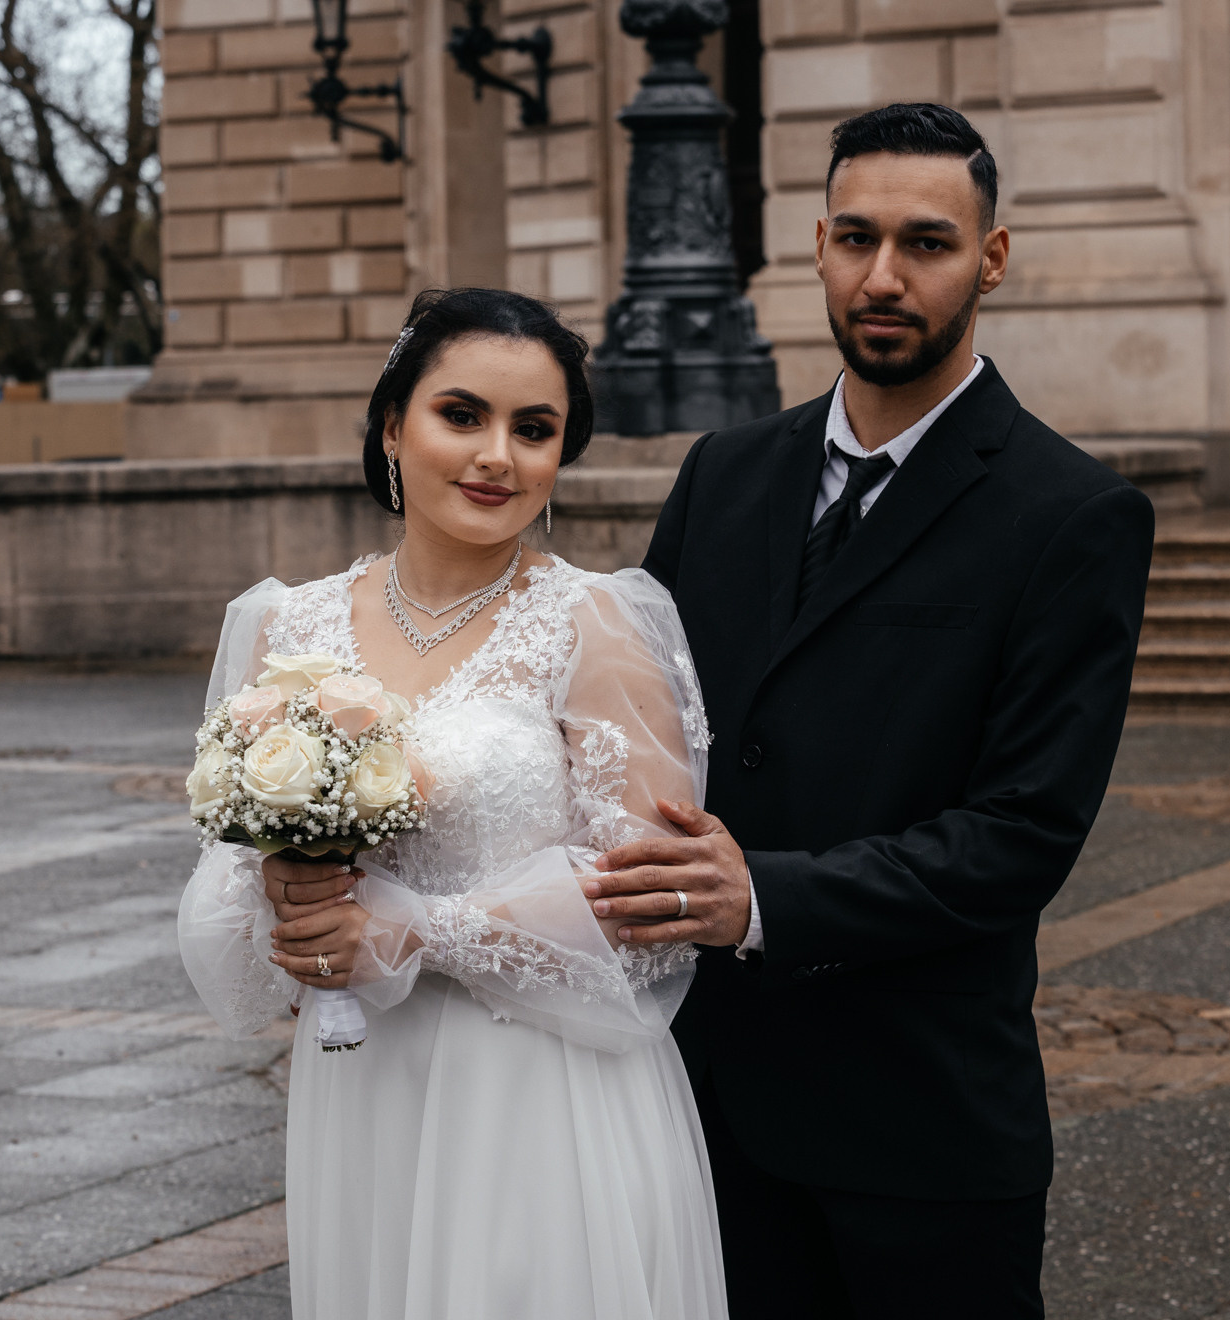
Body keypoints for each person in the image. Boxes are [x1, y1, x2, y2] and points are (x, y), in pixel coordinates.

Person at [580, 102, 1157, 1317]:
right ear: (818, 245)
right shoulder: (721, 474)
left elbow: (1022, 836)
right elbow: (627, 743)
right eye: (856, 237)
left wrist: (766, 900)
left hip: (923, 1130)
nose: (883, 275)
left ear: (991, 260)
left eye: (928, 243)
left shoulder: (1073, 515)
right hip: (703, 1111)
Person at [176, 287, 727, 1320]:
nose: (496, 457)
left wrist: (421, 930)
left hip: (542, 1089)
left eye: (534, 429)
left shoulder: (595, 623)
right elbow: (222, 913)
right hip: (366, 1088)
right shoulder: (284, 629)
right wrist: (280, 896)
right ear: (394, 424)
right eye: (461, 415)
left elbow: (654, 918)